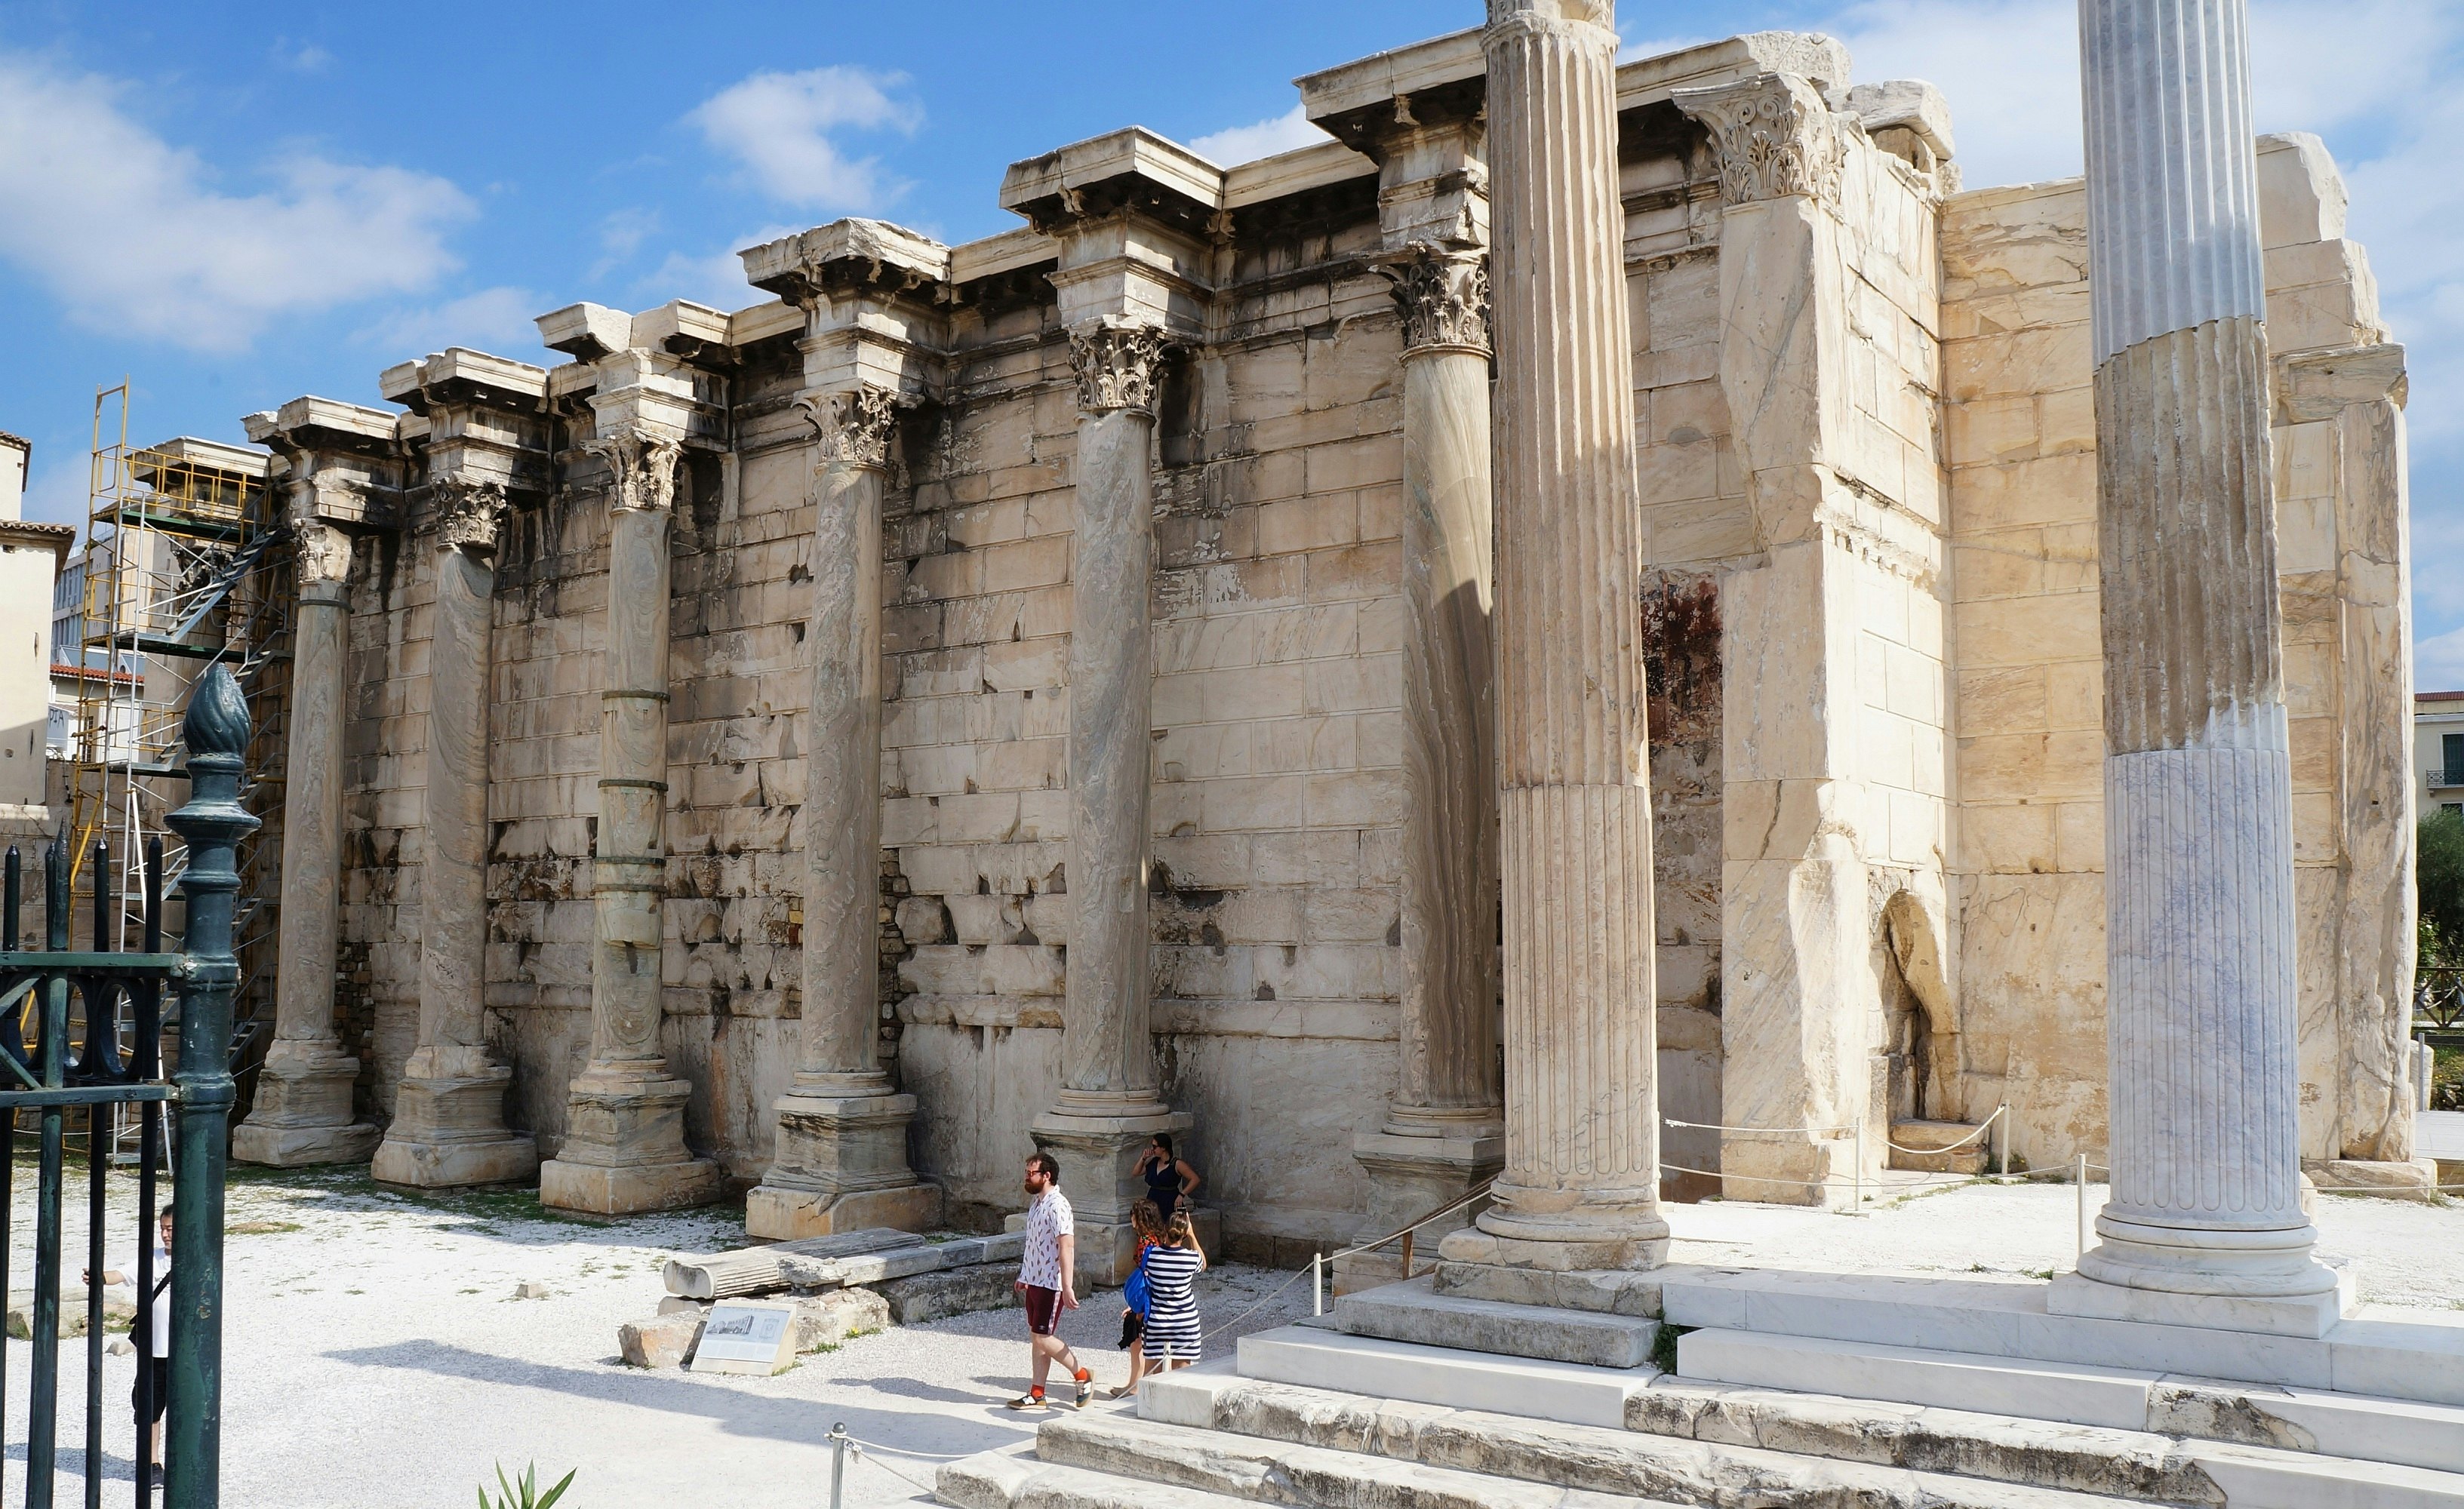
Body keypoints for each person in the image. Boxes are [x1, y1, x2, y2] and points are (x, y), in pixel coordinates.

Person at [88, 1206, 172, 1490]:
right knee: (148, 1409)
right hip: (153, 1353)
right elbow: (121, 1275)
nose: (164, 1234)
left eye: (170, 1229)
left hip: (186, 1355)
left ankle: (186, 1461)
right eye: (162, 1228)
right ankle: (152, 1465)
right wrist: (98, 1277)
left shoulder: (198, 1260)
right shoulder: (152, 1259)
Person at [1008, 1151, 1094, 1409]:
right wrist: (1025, 1275)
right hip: (1035, 1279)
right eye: (1026, 1172)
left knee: (1042, 1337)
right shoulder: (1037, 1203)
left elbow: (1066, 1246)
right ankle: (1037, 1393)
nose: (1027, 1177)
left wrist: (1067, 1286)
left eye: (1031, 1173)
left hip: (1050, 1282)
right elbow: (1033, 1243)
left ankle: (1082, 1375)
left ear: (1046, 1176)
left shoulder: (1059, 1205)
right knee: (1038, 1337)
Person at [1108, 1199, 1166, 1400]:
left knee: (1138, 1344)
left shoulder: (1145, 1243)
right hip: (1153, 1297)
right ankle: (1134, 1384)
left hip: (1147, 1299)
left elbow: (1148, 1275)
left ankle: (1135, 1386)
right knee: (1138, 1344)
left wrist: (1137, 1306)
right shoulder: (1158, 1238)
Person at [1139, 1209, 1206, 1373]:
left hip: (1158, 1321)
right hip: (1185, 1321)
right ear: (1183, 1234)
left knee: (1155, 1378)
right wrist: (1192, 1235)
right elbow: (1203, 1264)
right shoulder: (1191, 1258)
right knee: (1181, 1378)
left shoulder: (1152, 1256)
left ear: (1166, 1230)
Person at [1135, 1133, 1200, 1221]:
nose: (1152, 1150)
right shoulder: (1154, 1162)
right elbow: (1136, 1172)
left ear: (1163, 1148)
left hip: (1169, 1200)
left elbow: (1195, 1179)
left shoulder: (1177, 1164)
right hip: (1153, 1198)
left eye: (1155, 1147)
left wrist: (1182, 1194)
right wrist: (1143, 1158)